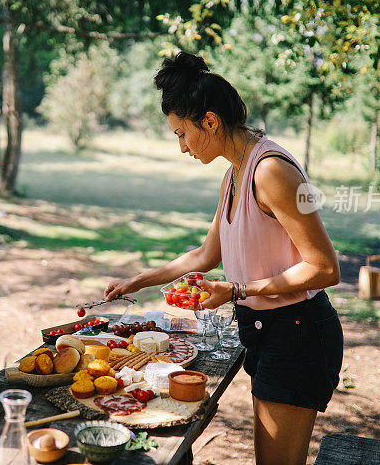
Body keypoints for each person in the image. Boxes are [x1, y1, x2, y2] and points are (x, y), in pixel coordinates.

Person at [104, 52, 343, 465]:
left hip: (299, 335)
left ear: (210, 121)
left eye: (182, 133)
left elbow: (324, 268)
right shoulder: (234, 173)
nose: (182, 147)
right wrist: (139, 281)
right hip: (267, 331)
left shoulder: (270, 170)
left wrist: (236, 290)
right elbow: (205, 254)